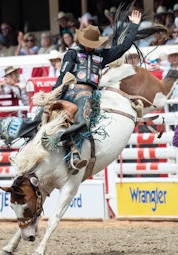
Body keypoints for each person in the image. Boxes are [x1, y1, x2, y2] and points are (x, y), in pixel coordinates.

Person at [52, 10, 142, 171]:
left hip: (90, 95)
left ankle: (74, 152)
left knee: (85, 116)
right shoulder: (72, 54)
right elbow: (63, 74)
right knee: (43, 113)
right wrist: (55, 93)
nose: (91, 46)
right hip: (72, 91)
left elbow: (124, 47)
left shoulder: (102, 56)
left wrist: (134, 25)